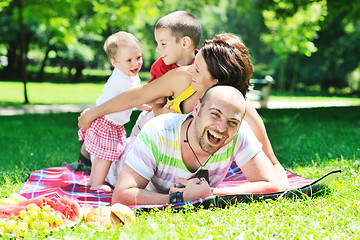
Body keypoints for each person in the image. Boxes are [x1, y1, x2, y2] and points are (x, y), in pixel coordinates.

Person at [78, 33, 290, 189]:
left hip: (175, 168)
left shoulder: (237, 109)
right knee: (112, 156)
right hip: (147, 144)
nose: (190, 71)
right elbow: (137, 96)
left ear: (215, 84)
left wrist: (282, 187)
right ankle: (88, 154)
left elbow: (272, 162)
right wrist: (93, 113)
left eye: (197, 69)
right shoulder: (182, 78)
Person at [111, 85, 284, 205]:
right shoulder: (157, 132)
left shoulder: (238, 132)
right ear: (197, 109)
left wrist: (210, 194)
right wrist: (180, 199)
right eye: (215, 114)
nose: (222, 128)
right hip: (119, 161)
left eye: (232, 122)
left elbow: (272, 184)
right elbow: (122, 194)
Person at [78, 31, 148, 192]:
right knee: (105, 156)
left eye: (138, 58)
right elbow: (137, 97)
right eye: (128, 60)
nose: (135, 64)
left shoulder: (128, 75)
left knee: (102, 155)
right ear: (114, 62)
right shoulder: (121, 80)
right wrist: (145, 104)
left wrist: (141, 105)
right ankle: (97, 183)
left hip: (108, 121)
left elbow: (133, 99)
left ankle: (92, 181)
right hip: (107, 122)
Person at [130, 10, 201, 136]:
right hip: (152, 122)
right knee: (136, 147)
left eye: (163, 44)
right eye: (158, 43)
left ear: (185, 43)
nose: (158, 49)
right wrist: (161, 112)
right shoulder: (161, 67)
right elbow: (157, 103)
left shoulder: (202, 64)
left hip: (184, 126)